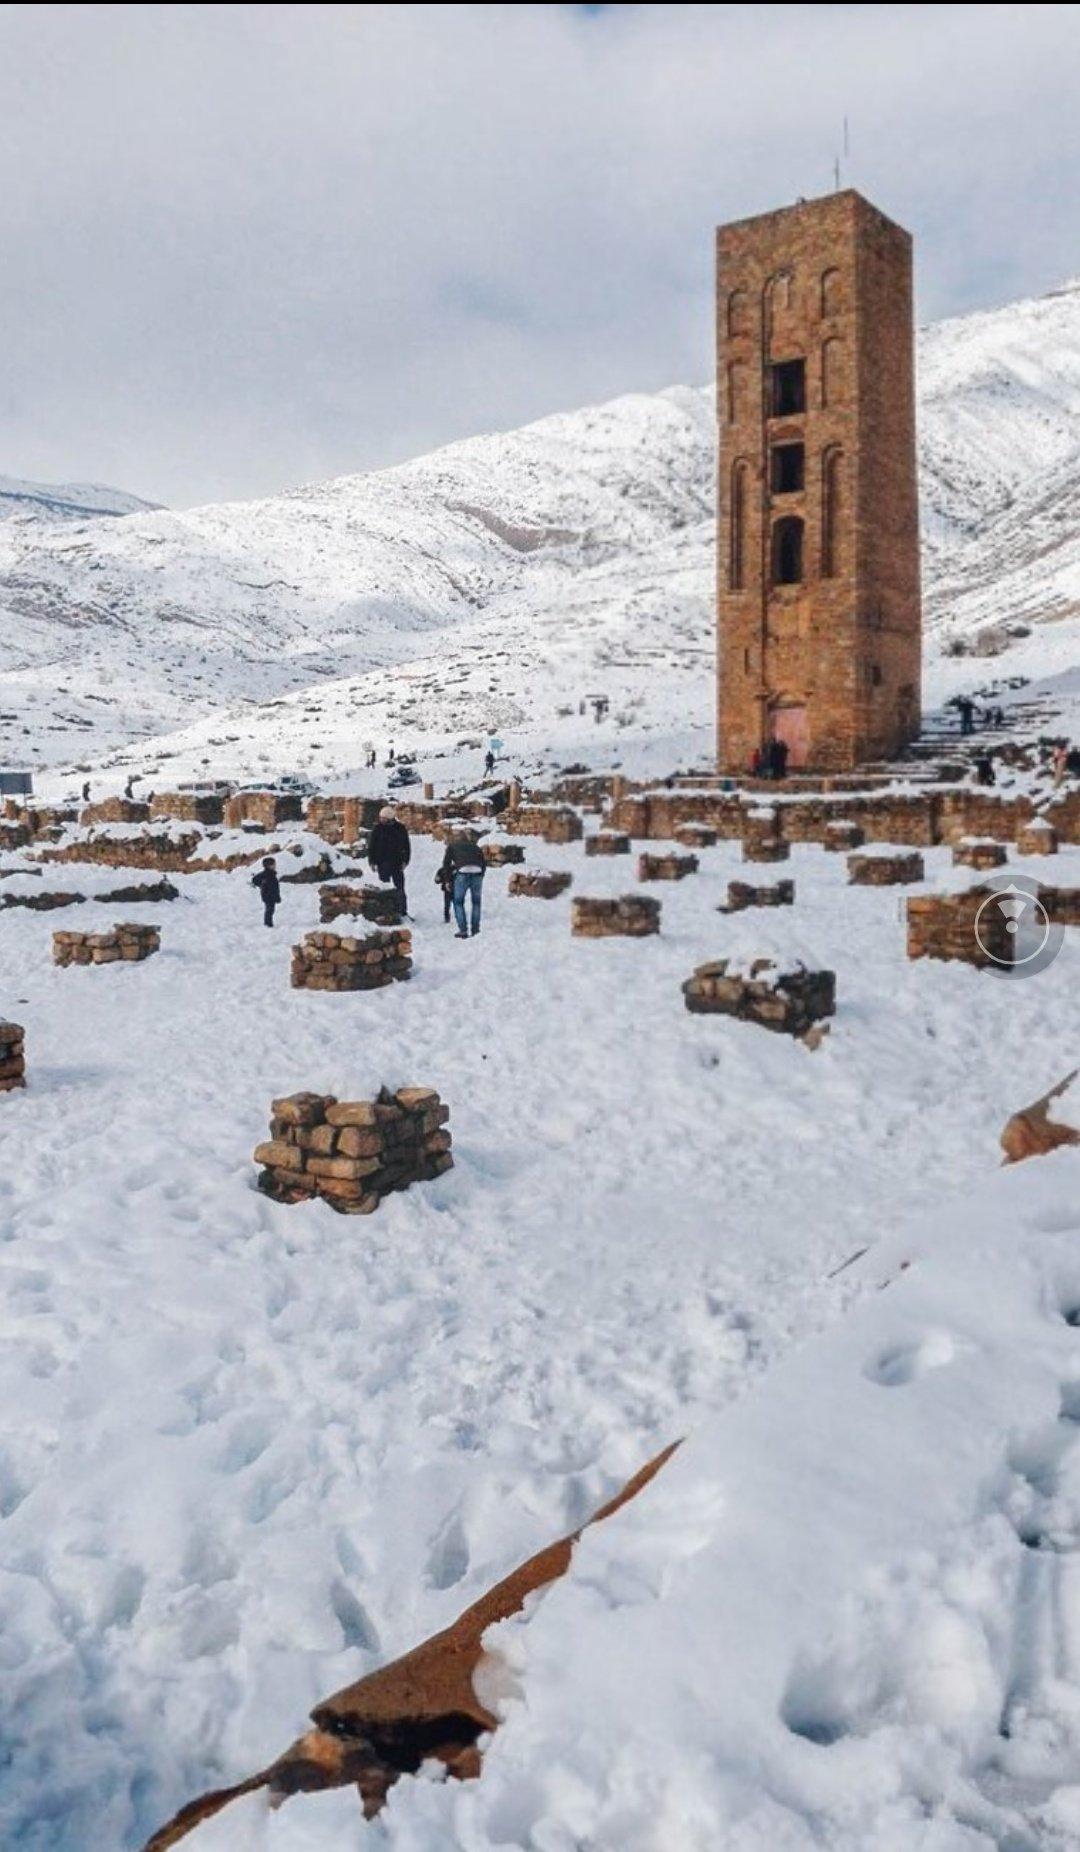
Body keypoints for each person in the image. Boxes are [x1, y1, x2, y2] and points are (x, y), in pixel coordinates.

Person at [442, 828, 486, 938]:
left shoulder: (452, 846)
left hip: (462, 872)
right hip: (477, 872)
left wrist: (447, 880)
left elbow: (446, 863)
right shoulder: (475, 846)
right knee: (476, 902)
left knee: (458, 902)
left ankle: (463, 930)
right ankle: (475, 930)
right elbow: (483, 862)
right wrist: (481, 875)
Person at [368, 805, 411, 913]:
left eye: (384, 818)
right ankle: (386, 911)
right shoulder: (378, 828)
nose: (381, 820)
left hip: (397, 863)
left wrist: (405, 860)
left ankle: (402, 911)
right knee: (384, 888)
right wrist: (372, 861)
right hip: (382, 863)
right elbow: (372, 846)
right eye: (381, 818)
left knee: (399, 888)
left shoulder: (400, 828)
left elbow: (406, 846)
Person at [251, 856, 281, 927]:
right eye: (274, 864)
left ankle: (268, 923)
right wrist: (261, 885)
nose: (275, 866)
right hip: (268, 896)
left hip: (268, 895)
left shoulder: (270, 874)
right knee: (270, 910)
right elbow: (255, 879)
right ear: (269, 866)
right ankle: (268, 924)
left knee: (270, 909)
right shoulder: (268, 874)